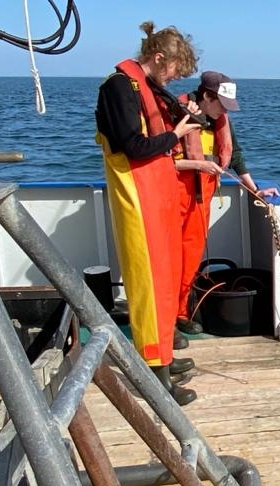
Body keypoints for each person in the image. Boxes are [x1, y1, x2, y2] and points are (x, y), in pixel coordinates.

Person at [95, 21, 202, 405]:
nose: (174, 79)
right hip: (138, 203)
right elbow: (134, 145)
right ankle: (155, 375)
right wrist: (177, 134)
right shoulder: (118, 88)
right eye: (174, 70)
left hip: (157, 200)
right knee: (148, 287)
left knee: (166, 281)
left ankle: (164, 359)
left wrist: (179, 118)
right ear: (159, 58)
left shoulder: (147, 88)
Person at [173, 71, 280, 335]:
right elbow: (159, 158)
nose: (224, 112)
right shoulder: (177, 112)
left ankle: (182, 312)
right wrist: (198, 164)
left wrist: (255, 190)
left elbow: (236, 157)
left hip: (202, 200)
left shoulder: (221, 119)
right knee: (170, 260)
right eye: (221, 105)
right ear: (207, 96)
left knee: (190, 258)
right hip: (174, 199)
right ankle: (168, 319)